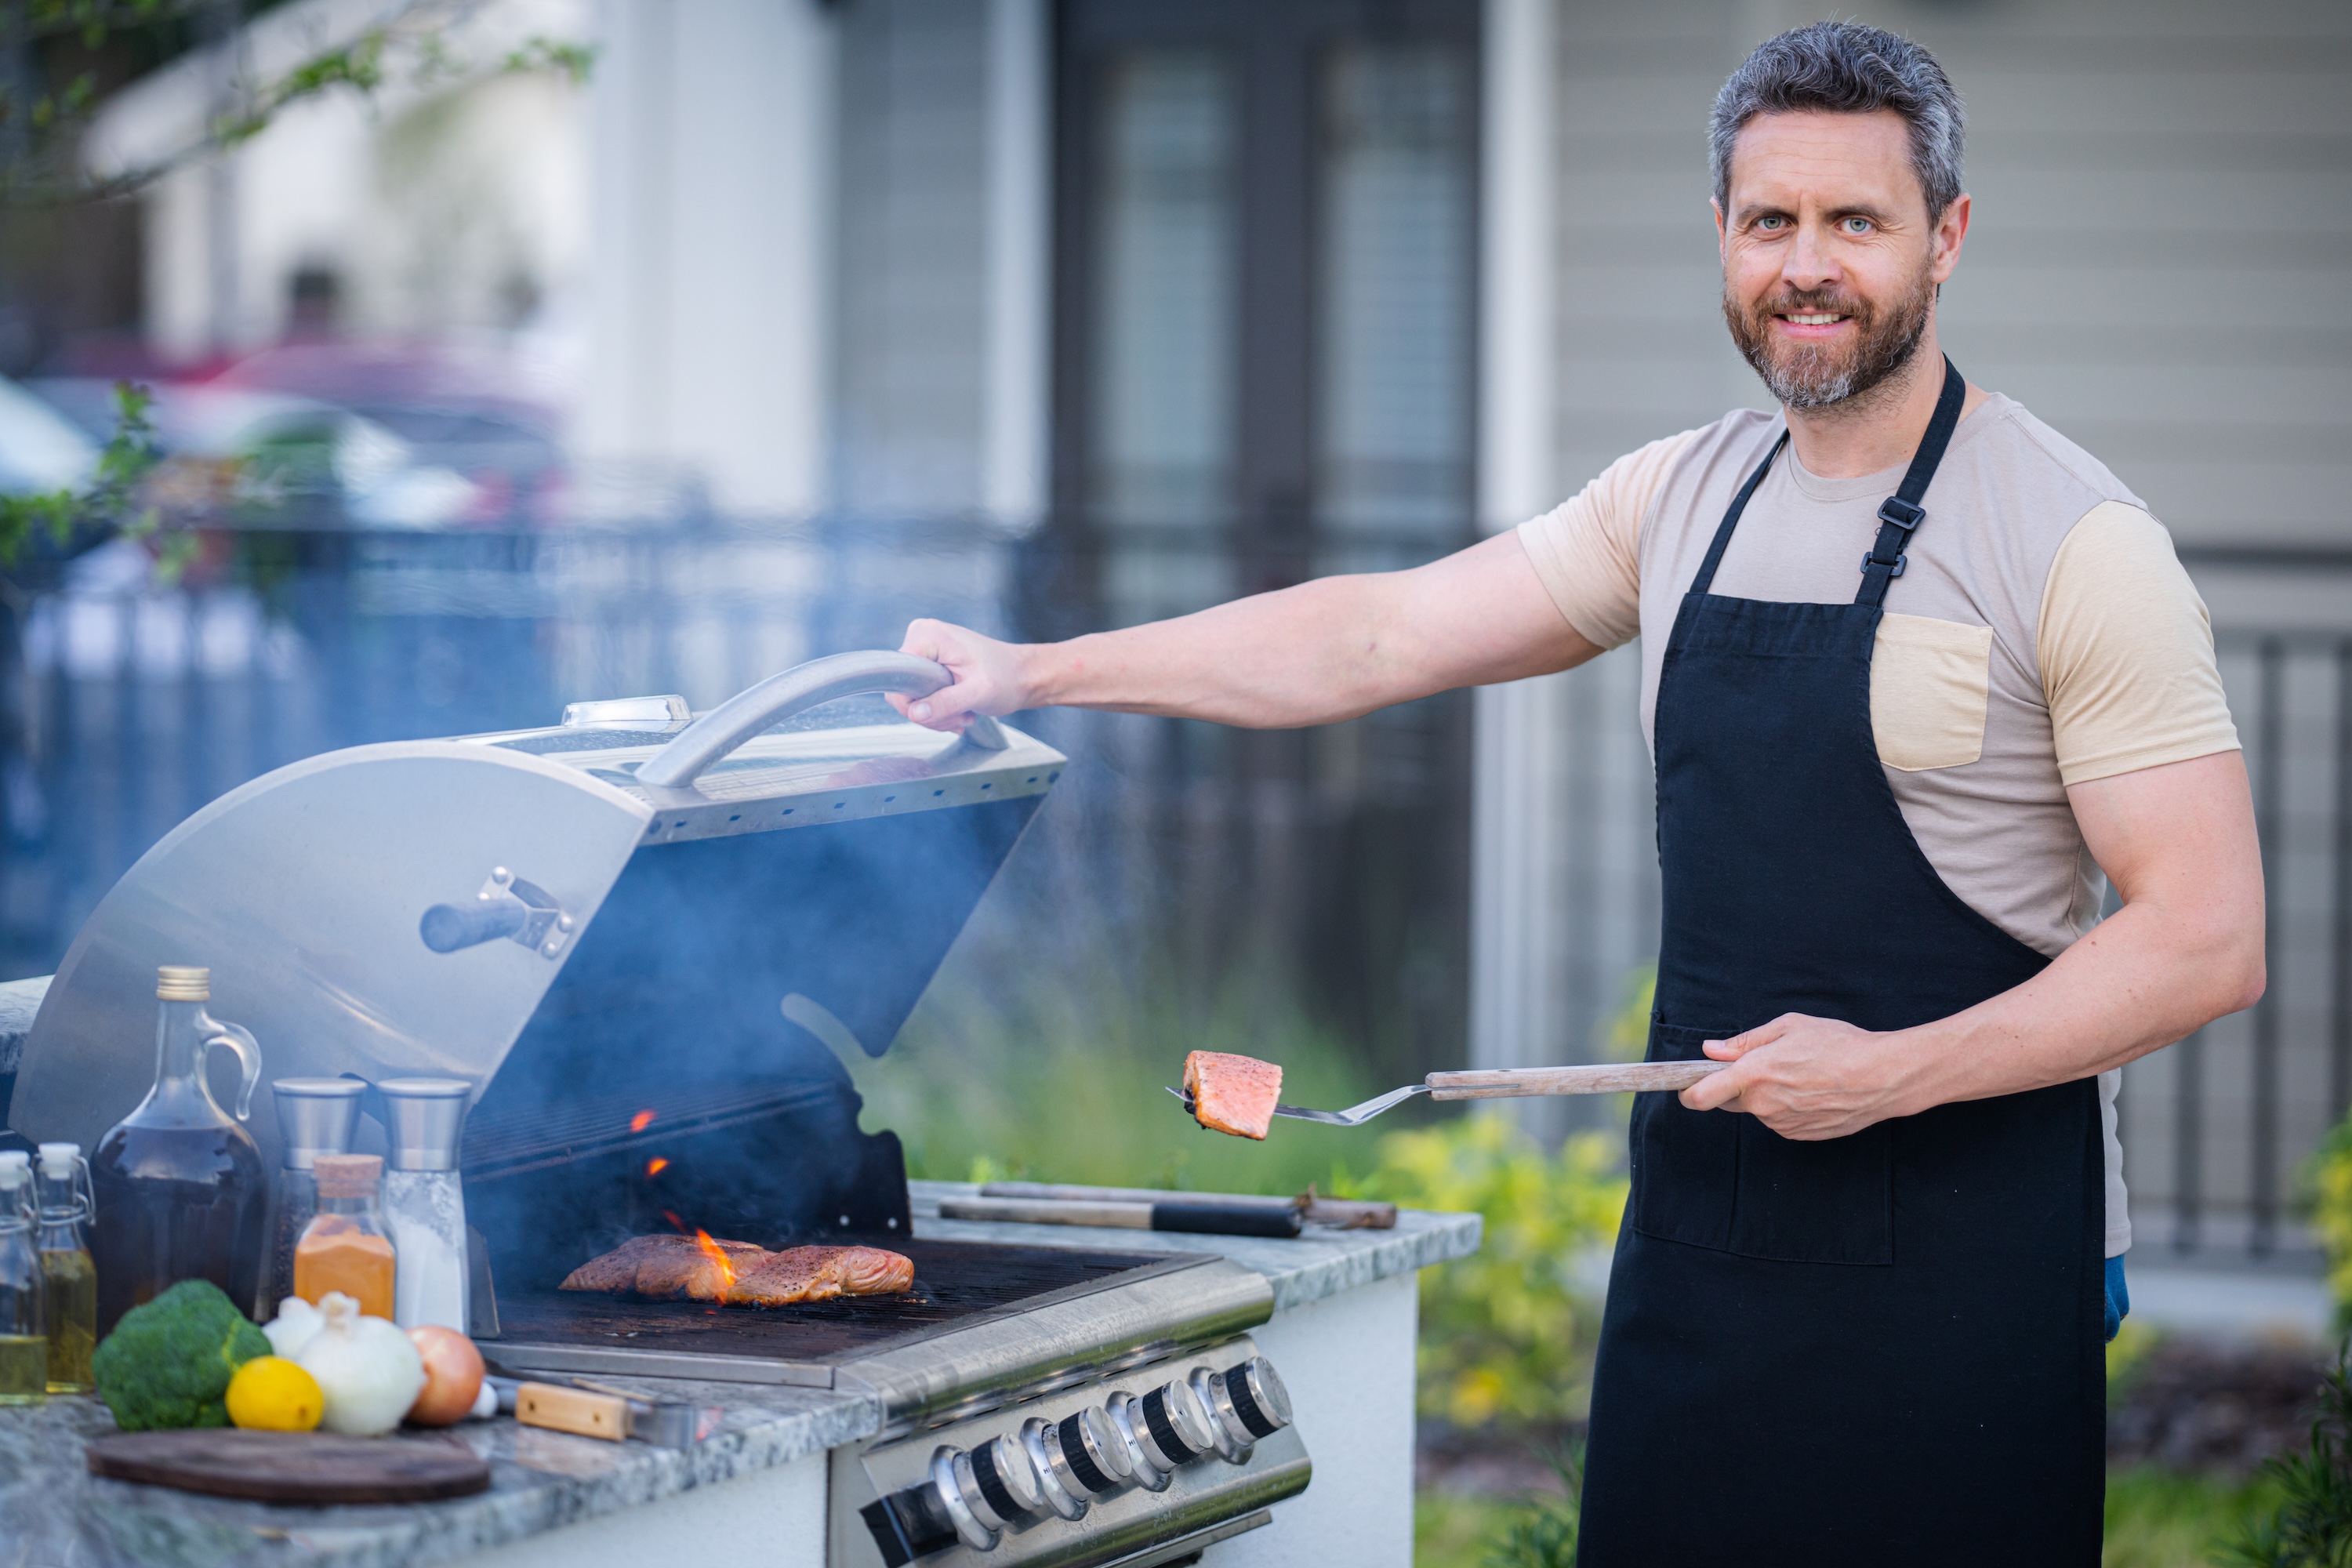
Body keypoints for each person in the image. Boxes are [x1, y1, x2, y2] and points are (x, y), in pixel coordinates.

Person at [892, 22, 2262, 1564]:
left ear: (1944, 237)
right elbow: (1371, 631)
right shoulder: (1678, 501)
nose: (1806, 266)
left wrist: (1893, 1071)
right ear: (1725, 241)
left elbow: (2206, 933)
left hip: (1964, 1266)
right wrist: (1037, 672)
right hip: (1704, 1249)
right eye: (1770, 222)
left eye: (1853, 221)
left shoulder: (2075, 539)